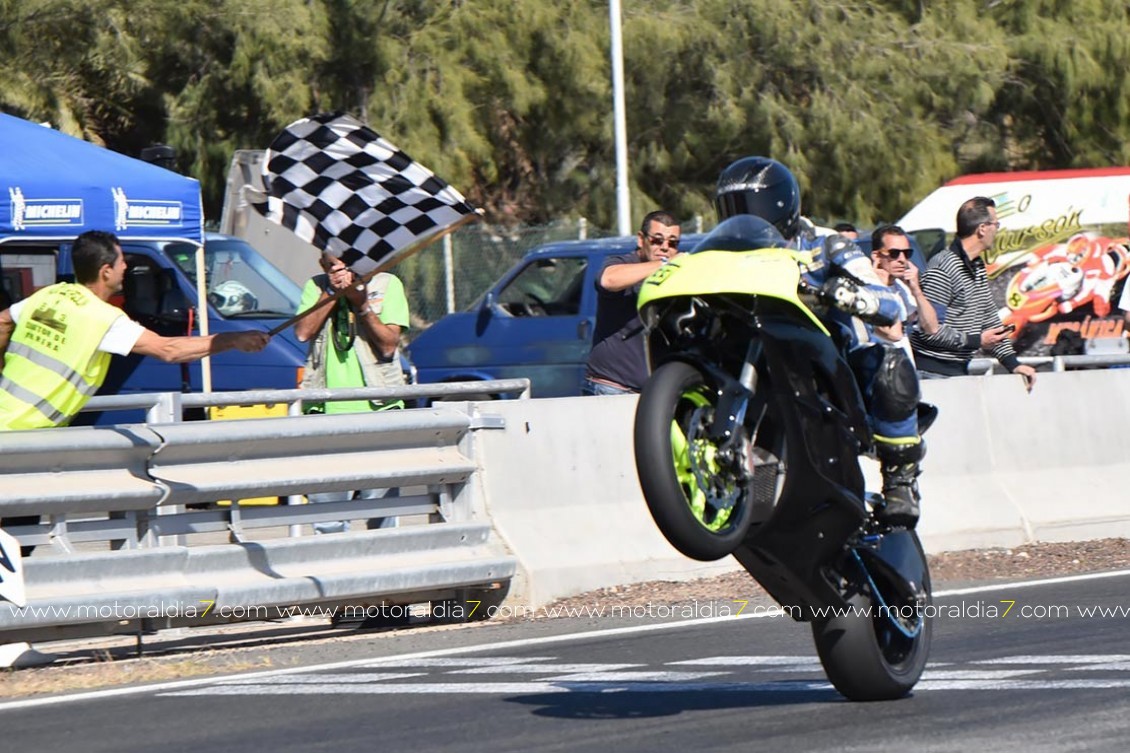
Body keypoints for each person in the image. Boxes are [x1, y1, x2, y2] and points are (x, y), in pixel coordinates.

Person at [0, 229, 268, 668]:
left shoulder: (49, 297)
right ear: (106, 271)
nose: (127, 268)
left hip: (8, 425)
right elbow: (168, 350)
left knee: (16, 533)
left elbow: (3, 321)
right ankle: (5, 639)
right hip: (25, 441)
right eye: (123, 262)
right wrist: (231, 341)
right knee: (13, 535)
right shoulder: (103, 319)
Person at [714, 156, 922, 527]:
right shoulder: (721, 251)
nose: (744, 217)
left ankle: (900, 482)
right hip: (756, 357)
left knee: (889, 365)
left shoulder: (825, 243)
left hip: (824, 361)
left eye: (752, 207)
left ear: (781, 205)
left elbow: (887, 298)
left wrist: (854, 297)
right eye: (733, 209)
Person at [294, 251, 410, 533]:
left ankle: (386, 569)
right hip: (326, 411)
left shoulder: (386, 284)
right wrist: (331, 293)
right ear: (323, 265)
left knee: (381, 512)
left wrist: (362, 305)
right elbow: (302, 333)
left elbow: (388, 345)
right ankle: (335, 570)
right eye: (332, 264)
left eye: (347, 263)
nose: (340, 269)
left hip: (378, 409)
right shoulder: (316, 286)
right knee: (328, 516)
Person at [909, 197, 1038, 391]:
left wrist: (1014, 364)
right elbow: (930, 331)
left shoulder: (977, 267)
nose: (998, 230)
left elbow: (990, 320)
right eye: (996, 224)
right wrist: (977, 341)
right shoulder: (943, 266)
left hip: (956, 373)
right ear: (982, 229)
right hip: (931, 375)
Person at [583, 210, 681, 396]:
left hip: (652, 392)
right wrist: (665, 264)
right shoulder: (624, 263)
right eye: (657, 240)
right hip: (612, 387)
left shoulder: (675, 274)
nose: (665, 247)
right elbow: (608, 280)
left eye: (673, 243)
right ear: (641, 239)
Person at [869, 224, 940, 361]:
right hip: (879, 370)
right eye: (894, 253)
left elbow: (932, 328)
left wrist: (916, 290)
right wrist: (882, 286)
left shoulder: (902, 288)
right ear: (876, 256)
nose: (902, 259)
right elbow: (893, 334)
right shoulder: (867, 288)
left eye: (907, 254)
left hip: (904, 371)